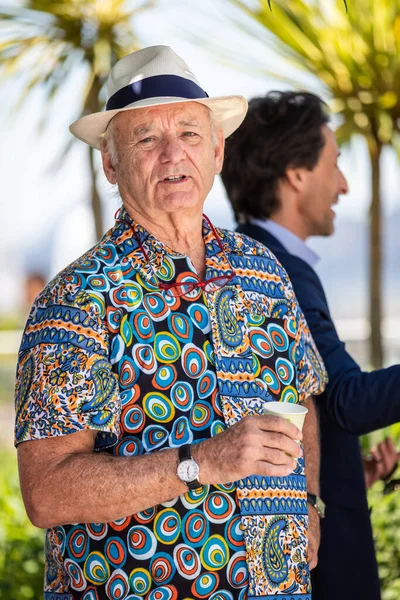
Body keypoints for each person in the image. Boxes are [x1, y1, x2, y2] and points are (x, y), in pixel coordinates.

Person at [15, 48, 327, 600]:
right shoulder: (77, 302)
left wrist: (308, 501)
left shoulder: (263, 270)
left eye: (188, 132)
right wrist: (198, 462)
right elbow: (46, 492)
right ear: (111, 165)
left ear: (217, 150)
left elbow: (303, 398)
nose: (171, 155)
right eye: (144, 140)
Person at [221, 90, 400, 600]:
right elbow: (346, 401)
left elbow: (300, 402)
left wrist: (346, 475)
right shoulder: (279, 271)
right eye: (335, 164)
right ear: (296, 174)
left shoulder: (253, 260)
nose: (343, 185)